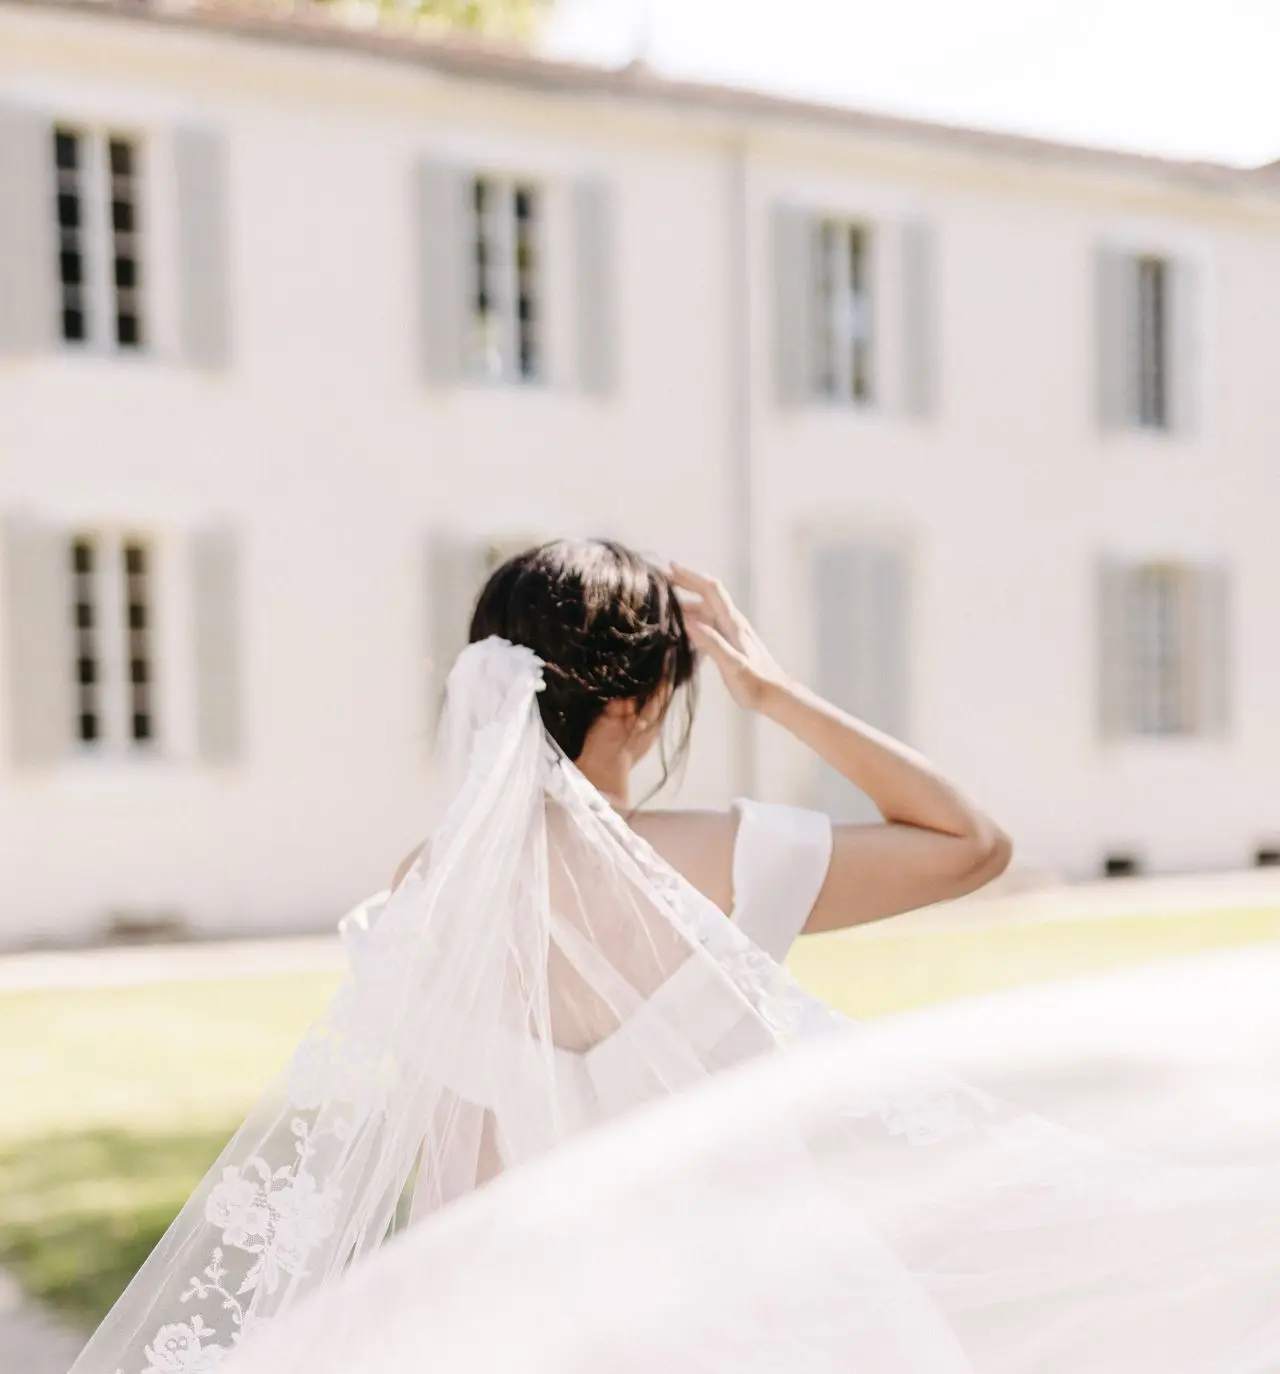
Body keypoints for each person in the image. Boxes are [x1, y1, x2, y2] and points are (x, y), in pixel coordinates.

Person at [79, 538, 1280, 1374]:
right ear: (650, 702)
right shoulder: (735, 858)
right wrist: (775, 692)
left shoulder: (426, 890)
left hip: (548, 1334)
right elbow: (971, 843)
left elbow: (458, 1168)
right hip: (784, 1318)